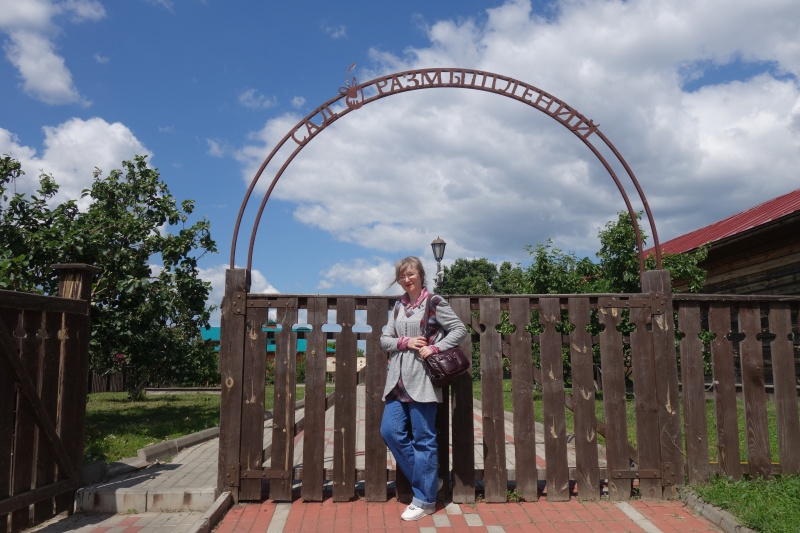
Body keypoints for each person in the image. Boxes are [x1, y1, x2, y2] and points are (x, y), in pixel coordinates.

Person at [380, 256, 467, 521]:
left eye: (411, 274)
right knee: (390, 432)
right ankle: (430, 482)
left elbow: (459, 329)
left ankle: (426, 500)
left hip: (423, 379)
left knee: (424, 439)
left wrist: (436, 347)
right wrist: (405, 342)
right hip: (397, 380)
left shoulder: (434, 302)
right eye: (402, 276)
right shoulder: (398, 306)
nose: (406, 279)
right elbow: (384, 340)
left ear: (420, 275)